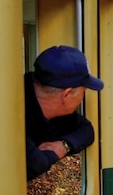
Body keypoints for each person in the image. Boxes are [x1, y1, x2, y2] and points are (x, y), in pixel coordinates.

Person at [25, 45, 103, 181]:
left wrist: (63, 145)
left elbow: (86, 130)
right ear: (67, 94)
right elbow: (34, 165)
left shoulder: (52, 111)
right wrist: (52, 153)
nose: (82, 98)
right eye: (83, 92)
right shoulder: (11, 114)